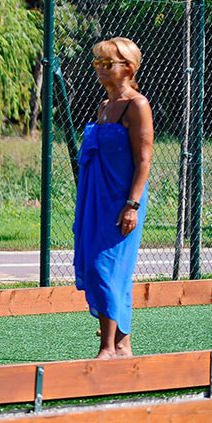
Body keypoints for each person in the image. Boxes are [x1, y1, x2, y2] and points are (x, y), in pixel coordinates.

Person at [74, 37, 153, 359]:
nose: (100, 69)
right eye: (97, 63)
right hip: (96, 200)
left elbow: (145, 159)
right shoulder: (105, 107)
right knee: (102, 270)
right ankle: (122, 345)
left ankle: (108, 347)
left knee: (106, 269)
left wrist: (132, 205)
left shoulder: (138, 105)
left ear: (128, 68)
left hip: (123, 200)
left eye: (108, 64)